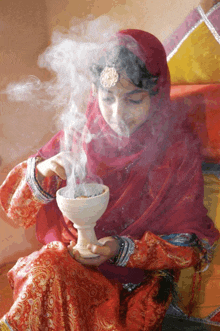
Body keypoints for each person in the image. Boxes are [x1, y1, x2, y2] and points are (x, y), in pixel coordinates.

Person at [0, 29, 219, 331]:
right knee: (42, 272)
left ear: (156, 96)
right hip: (71, 264)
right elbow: (17, 210)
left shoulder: (176, 149)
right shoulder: (78, 134)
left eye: (134, 99)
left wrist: (120, 249)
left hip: (133, 286)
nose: (118, 114)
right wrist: (44, 170)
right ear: (95, 92)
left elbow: (189, 245)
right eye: (107, 98)